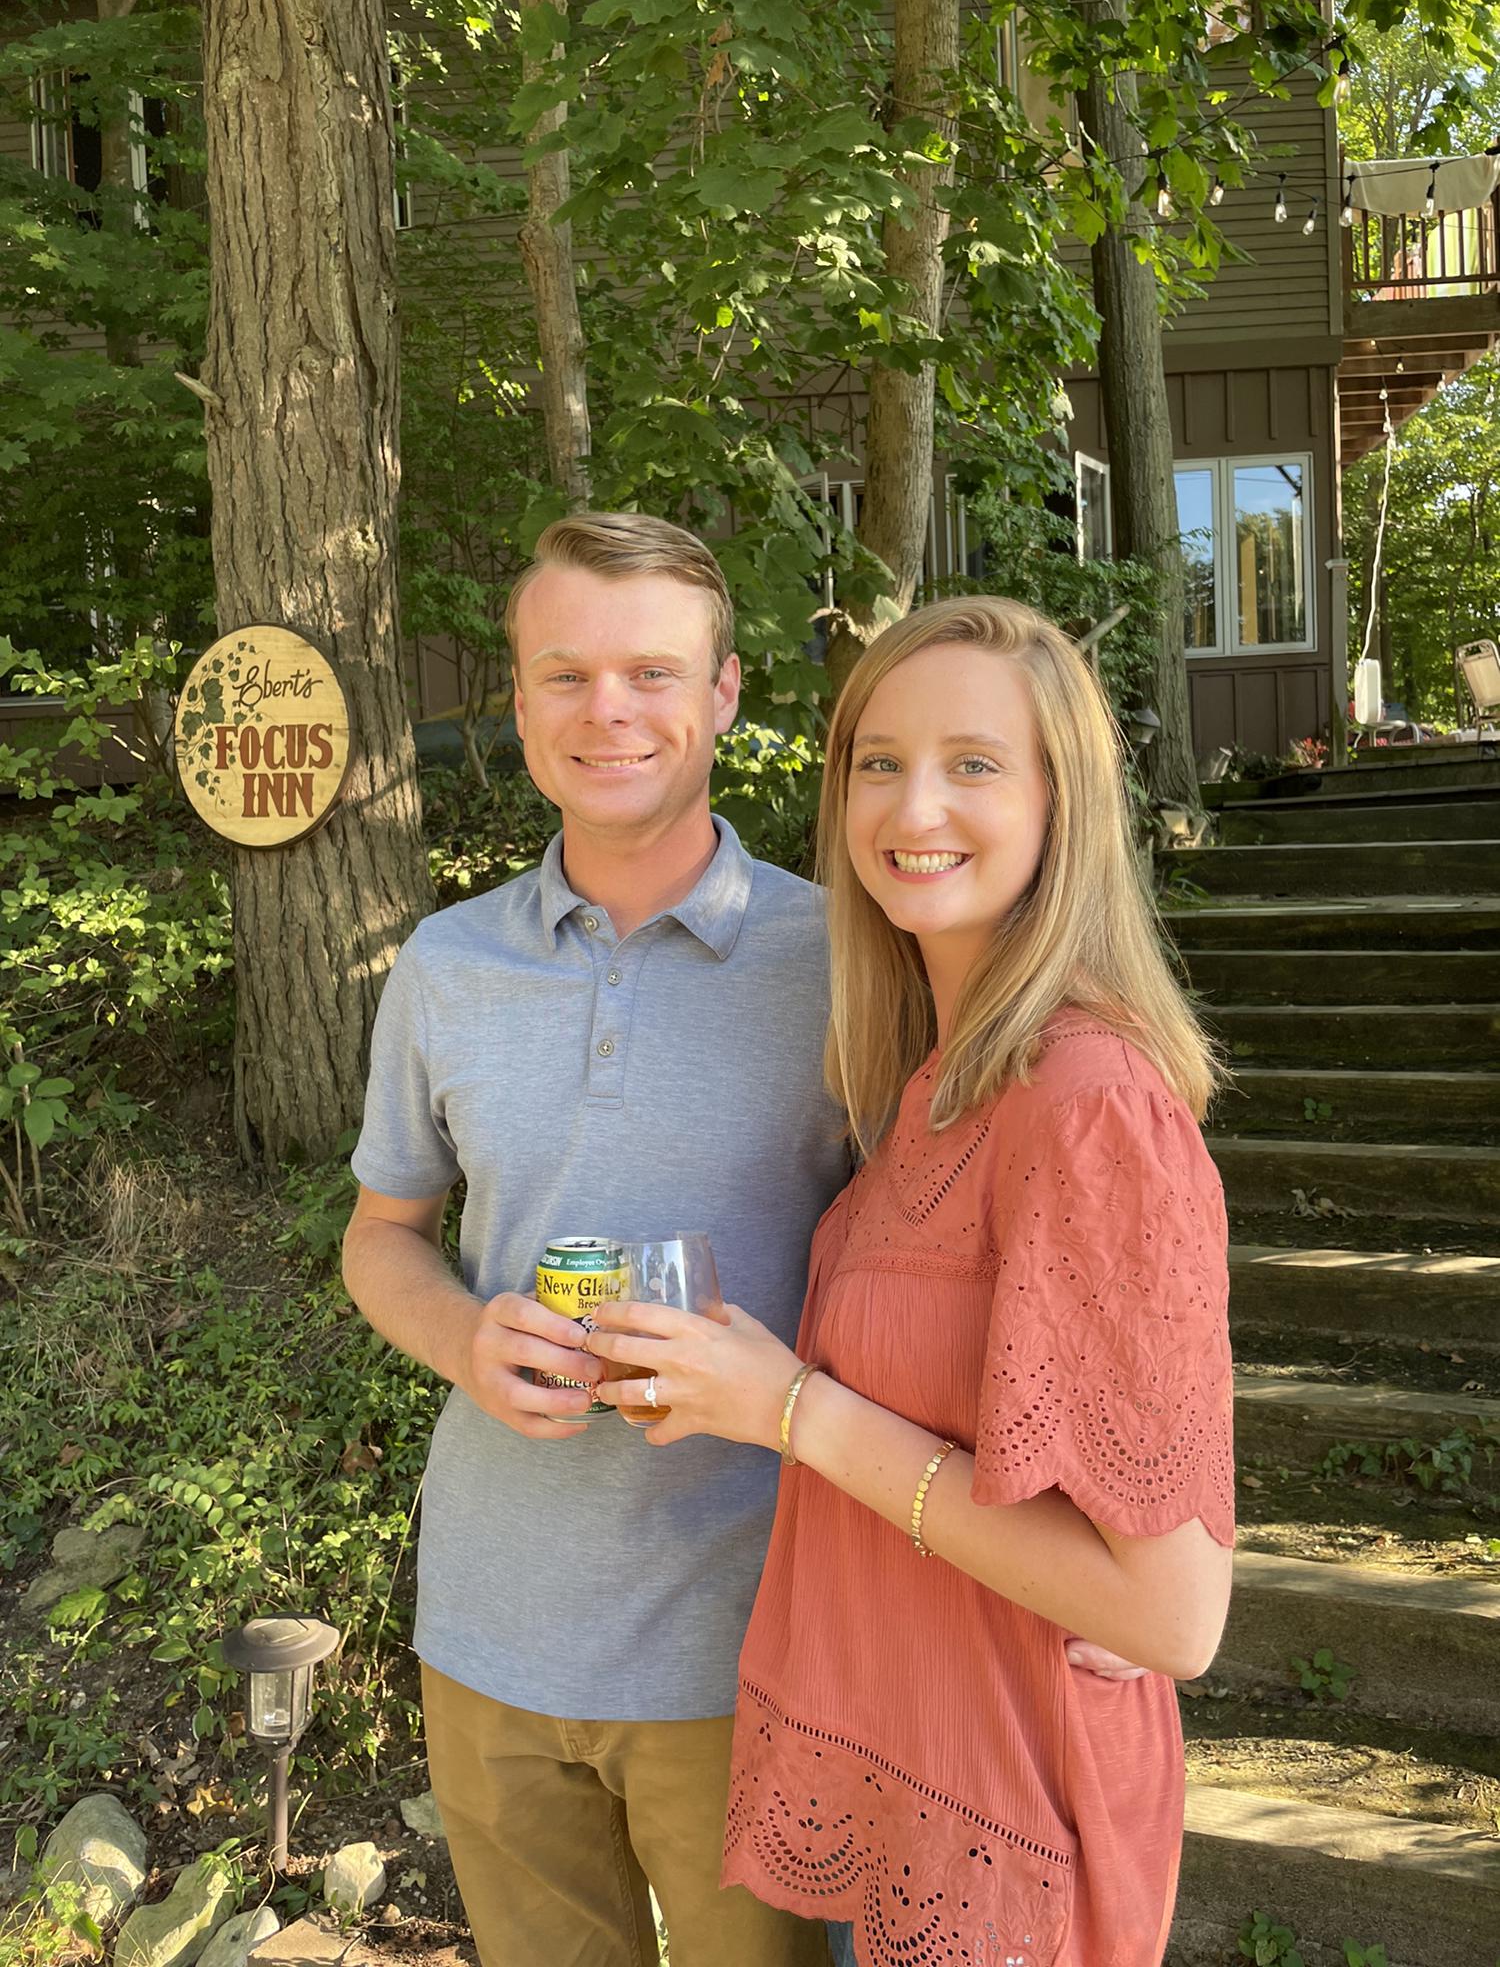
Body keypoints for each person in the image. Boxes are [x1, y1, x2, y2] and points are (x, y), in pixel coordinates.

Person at [586, 595, 1236, 1967]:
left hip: (1020, 1833)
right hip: (913, 1787)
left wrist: (791, 1411)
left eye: (974, 763)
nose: (912, 803)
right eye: (876, 760)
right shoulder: (929, 1089)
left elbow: (1172, 1614)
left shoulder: (1088, 1098)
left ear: (1065, 800)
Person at [341, 513, 850, 1967]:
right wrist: (461, 1332)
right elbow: (383, 1236)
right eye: (564, 675)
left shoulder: (848, 964)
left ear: (728, 692)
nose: (607, 710)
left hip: (751, 1646)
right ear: (515, 704)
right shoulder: (446, 967)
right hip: (492, 1639)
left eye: (651, 672)